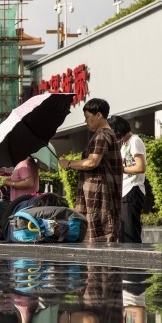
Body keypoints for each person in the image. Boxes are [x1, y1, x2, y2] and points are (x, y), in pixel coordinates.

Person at [59, 98, 122, 243]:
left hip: (100, 196)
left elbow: (92, 162)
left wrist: (69, 163)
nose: (86, 122)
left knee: (99, 236)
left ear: (99, 115)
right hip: (97, 194)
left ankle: (100, 267)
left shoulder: (102, 135)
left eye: (88, 117)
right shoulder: (105, 134)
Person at [108, 115, 147, 243]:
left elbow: (141, 167)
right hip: (125, 191)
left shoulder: (135, 141)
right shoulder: (124, 143)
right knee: (124, 232)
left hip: (133, 189)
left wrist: (120, 169)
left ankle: (134, 260)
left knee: (130, 232)